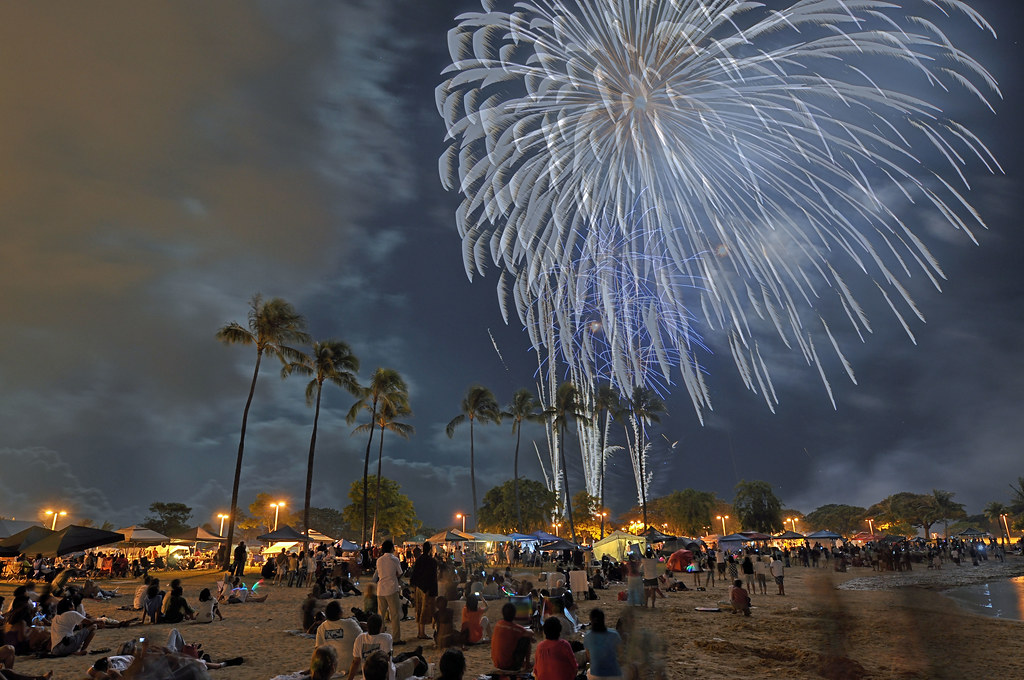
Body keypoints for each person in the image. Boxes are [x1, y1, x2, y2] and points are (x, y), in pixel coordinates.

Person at [314, 600, 362, 672]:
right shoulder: (350, 623)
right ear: (339, 613)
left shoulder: (321, 628)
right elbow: (363, 640)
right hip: (352, 665)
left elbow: (318, 650)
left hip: (331, 667)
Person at [376, 540, 404, 644]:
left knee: (381, 614)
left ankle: (381, 635)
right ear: (392, 548)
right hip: (392, 588)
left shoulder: (379, 560)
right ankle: (396, 638)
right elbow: (400, 572)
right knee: (394, 615)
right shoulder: (394, 559)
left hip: (381, 589)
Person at [408, 541, 438, 641]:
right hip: (427, 588)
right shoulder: (432, 561)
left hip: (419, 587)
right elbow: (433, 577)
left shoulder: (419, 559)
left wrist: (413, 585)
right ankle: (422, 633)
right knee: (426, 610)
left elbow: (415, 573)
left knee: (419, 608)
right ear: (430, 549)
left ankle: (420, 631)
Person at [582, 609, 621, 680]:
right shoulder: (614, 634)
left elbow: (590, 658)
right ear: (603, 619)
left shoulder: (588, 636)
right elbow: (620, 655)